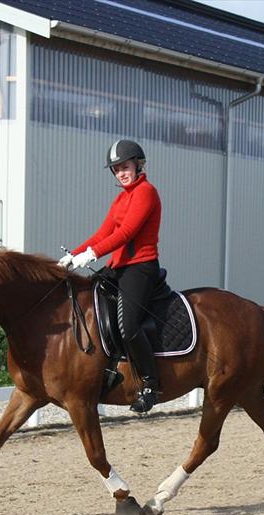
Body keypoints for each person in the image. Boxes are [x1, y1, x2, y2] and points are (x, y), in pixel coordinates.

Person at [60, 139, 164, 414]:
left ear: (138, 165)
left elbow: (126, 233)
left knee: (128, 325)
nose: (121, 173)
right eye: (116, 170)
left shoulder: (146, 193)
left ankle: (150, 384)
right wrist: (74, 255)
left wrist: (92, 255)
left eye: (125, 167)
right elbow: (103, 233)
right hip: (118, 267)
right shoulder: (121, 199)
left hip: (140, 267)